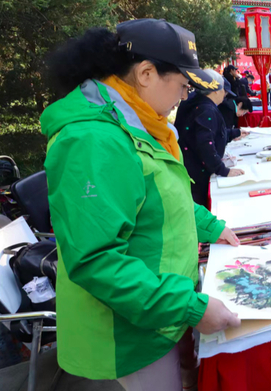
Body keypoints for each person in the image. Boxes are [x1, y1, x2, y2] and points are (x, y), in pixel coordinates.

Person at [41, 19, 241, 390]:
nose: (185, 97)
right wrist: (189, 307)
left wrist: (211, 227)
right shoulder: (94, 140)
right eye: (182, 85)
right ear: (146, 74)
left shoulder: (141, 124)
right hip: (122, 340)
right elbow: (97, 260)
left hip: (157, 315)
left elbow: (164, 200)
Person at [175, 70, 248, 206]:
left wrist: (234, 133)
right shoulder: (206, 109)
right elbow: (205, 143)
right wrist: (223, 170)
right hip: (197, 174)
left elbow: (212, 132)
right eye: (224, 92)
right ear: (215, 90)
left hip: (190, 167)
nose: (225, 96)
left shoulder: (196, 101)